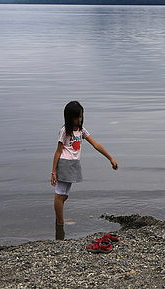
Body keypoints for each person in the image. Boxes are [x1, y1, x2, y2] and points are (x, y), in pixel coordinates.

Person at [50, 101, 119, 240]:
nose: (79, 119)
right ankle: (60, 223)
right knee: (59, 194)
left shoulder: (81, 131)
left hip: (74, 165)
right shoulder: (64, 131)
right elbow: (58, 152)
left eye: (81, 116)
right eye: (76, 117)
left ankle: (60, 222)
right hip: (64, 164)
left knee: (64, 195)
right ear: (69, 117)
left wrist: (110, 158)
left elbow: (96, 144)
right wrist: (53, 171)